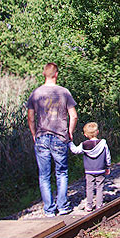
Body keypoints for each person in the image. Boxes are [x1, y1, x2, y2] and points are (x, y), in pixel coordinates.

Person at [27, 62, 78, 217]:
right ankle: (62, 206)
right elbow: (73, 115)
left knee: (44, 175)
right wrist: (70, 131)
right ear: (56, 74)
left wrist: (34, 133)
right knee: (61, 172)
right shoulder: (64, 92)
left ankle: (49, 209)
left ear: (44, 74)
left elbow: (30, 117)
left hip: (42, 136)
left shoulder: (36, 93)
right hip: (59, 136)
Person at [70, 122, 111, 212]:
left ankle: (89, 205)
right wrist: (108, 166)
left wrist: (70, 142)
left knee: (89, 187)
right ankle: (99, 205)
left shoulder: (84, 144)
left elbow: (75, 150)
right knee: (100, 187)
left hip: (89, 170)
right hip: (100, 169)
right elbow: (108, 156)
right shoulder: (103, 143)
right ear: (97, 132)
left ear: (85, 135)